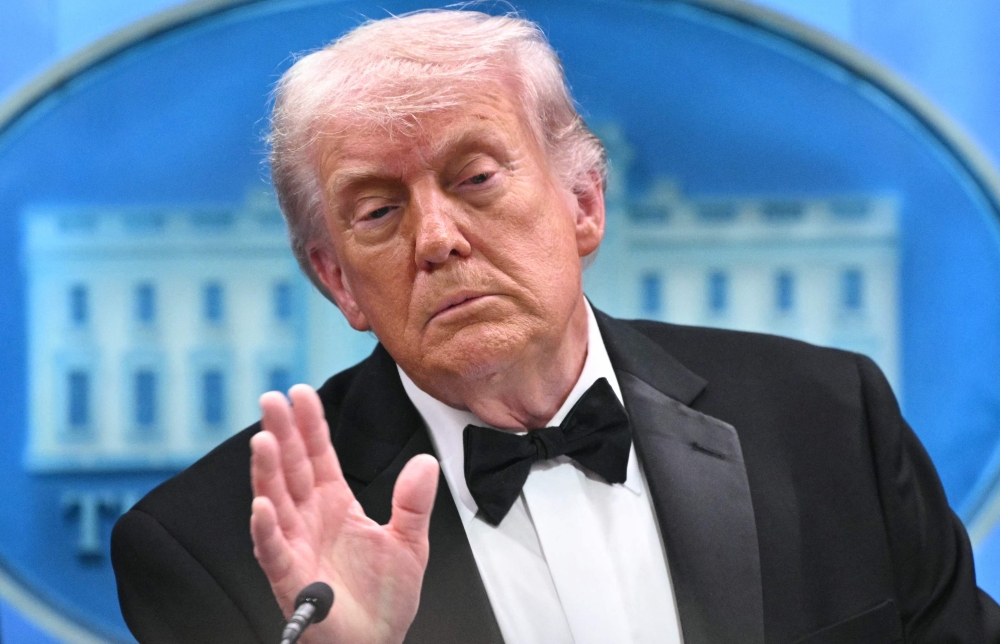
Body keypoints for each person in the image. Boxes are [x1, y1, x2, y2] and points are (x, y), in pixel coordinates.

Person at [111, 9, 1000, 644]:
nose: (439, 240)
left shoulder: (827, 420)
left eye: (476, 178)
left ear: (582, 202)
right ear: (337, 280)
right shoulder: (210, 547)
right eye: (378, 211)